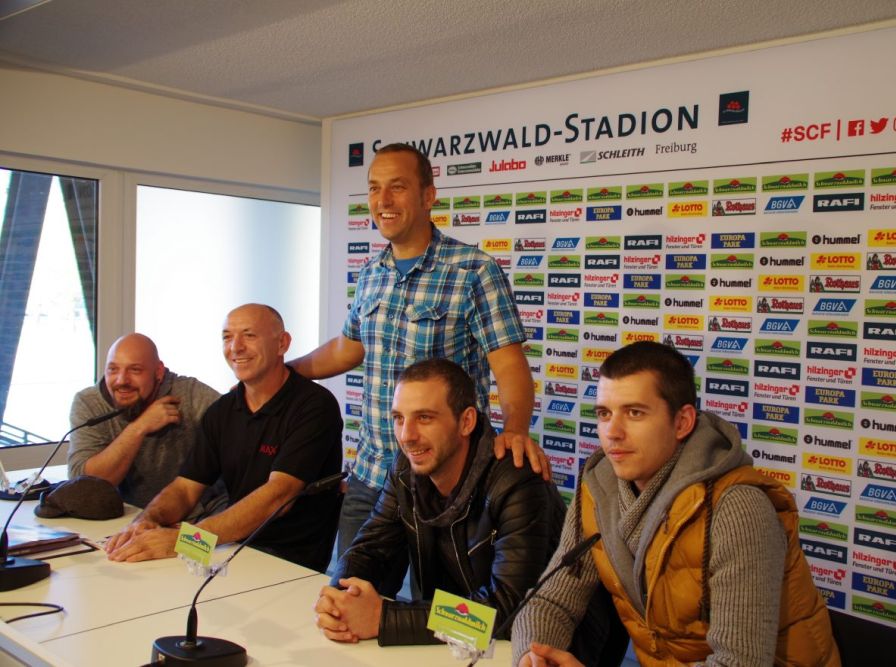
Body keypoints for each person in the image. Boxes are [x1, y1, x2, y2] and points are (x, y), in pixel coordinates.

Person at [290, 143, 548, 564]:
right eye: (374, 189)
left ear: (429, 195)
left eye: (397, 187)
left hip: (443, 486)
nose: (382, 201)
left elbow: (509, 367)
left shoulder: (474, 271)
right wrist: (286, 372)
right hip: (372, 477)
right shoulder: (371, 273)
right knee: (345, 600)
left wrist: (515, 428)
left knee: (429, 616)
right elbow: (348, 348)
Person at [512, 341, 840, 667]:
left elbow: (738, 662)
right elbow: (551, 601)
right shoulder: (599, 487)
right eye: (604, 413)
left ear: (682, 422)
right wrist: (532, 656)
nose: (612, 432)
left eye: (635, 413)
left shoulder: (737, 507)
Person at [314, 358, 565, 645]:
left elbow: (508, 614)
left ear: (466, 421)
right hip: (450, 642)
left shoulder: (516, 481)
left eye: (424, 418)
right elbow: (368, 549)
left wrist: (385, 618)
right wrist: (340, 599)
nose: (407, 436)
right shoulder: (406, 469)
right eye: (399, 418)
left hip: (532, 649)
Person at [104, 304, 343, 572]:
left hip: (287, 562)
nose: (235, 347)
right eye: (227, 337)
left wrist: (186, 542)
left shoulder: (314, 406)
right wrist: (146, 521)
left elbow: (278, 496)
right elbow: (185, 488)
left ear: (282, 344)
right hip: (229, 549)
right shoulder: (222, 410)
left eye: (249, 335)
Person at [68, 333, 221, 512]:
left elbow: (239, 428)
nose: (122, 380)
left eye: (135, 370)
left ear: (158, 371)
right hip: (130, 521)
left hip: (198, 523)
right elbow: (83, 487)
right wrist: (139, 427)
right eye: (113, 369)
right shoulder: (89, 403)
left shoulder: (189, 394)